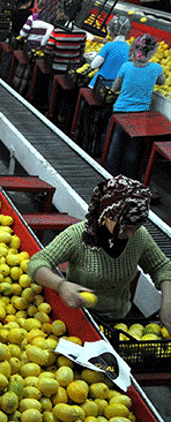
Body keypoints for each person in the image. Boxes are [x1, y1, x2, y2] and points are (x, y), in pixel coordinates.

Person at [27, 175, 171, 332]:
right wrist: (61, 285)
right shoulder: (78, 236)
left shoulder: (139, 236)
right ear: (107, 215)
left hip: (119, 323)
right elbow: (37, 263)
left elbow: (162, 267)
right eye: (125, 228)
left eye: (134, 228)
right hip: (81, 318)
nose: (130, 234)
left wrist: (167, 304)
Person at [105, 34, 166, 178]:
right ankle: (129, 178)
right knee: (133, 149)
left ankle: (110, 175)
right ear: (152, 53)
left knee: (115, 145)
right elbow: (162, 82)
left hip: (120, 112)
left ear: (134, 49)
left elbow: (114, 87)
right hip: (141, 114)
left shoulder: (126, 66)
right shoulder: (156, 69)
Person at [88, 15, 131, 89]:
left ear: (111, 31)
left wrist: (96, 55)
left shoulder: (109, 45)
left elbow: (94, 65)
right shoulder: (130, 49)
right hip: (113, 89)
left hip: (97, 86)